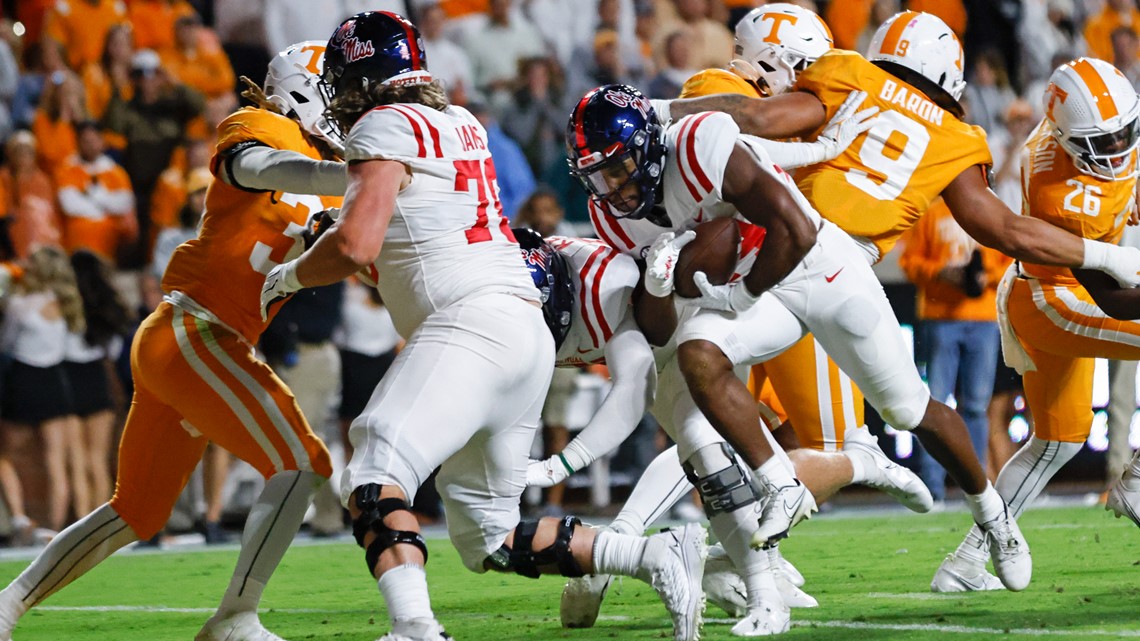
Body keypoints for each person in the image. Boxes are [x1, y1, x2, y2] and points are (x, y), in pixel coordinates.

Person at [258, 13, 705, 641]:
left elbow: (358, 246)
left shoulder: (383, 125)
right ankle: (654, 555)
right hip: (520, 332)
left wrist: (291, 275)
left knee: (372, 467)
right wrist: (330, 235)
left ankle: (414, 626)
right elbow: (405, 248)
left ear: (361, 75)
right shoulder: (461, 123)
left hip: (467, 325)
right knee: (488, 536)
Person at [652, 7, 1140, 582]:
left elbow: (760, 116)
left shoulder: (849, 71)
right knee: (906, 410)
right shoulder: (957, 134)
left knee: (701, 372)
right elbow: (1002, 230)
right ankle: (976, 522)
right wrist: (1109, 255)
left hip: (791, 249)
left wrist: (656, 112)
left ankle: (987, 520)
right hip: (828, 265)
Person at [0, 41, 346, 641]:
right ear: (302, 89)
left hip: (199, 340)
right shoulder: (261, 124)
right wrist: (349, 176)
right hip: (195, 329)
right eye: (336, 90)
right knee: (302, 463)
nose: (347, 105)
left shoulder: (340, 181)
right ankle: (235, 618)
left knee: (136, 510)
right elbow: (252, 166)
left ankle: (6, 605)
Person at [933, 57, 1140, 592]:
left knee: (1056, 443)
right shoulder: (1061, 190)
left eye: (1124, 135)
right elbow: (1114, 300)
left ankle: (966, 561)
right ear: (1069, 138)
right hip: (1055, 299)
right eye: (1105, 142)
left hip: (1047, 293)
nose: (1118, 150)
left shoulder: (1080, 134)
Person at [899, 198, 1010, 503]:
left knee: (976, 405)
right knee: (934, 403)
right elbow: (909, 261)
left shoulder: (989, 210)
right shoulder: (931, 213)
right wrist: (940, 272)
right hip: (940, 317)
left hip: (983, 318)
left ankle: (977, 487)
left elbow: (1009, 263)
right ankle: (932, 486)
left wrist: (985, 276)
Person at [0, 246, 84, 532]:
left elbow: (6, 345)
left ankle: (20, 518)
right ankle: (56, 530)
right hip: (55, 382)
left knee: (6, 456)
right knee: (55, 461)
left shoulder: (20, 305)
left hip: (24, 380)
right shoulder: (67, 302)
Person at [64, 250, 132, 513]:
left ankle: (81, 525)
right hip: (97, 378)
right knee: (98, 460)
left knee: (78, 462)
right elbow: (115, 349)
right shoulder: (104, 306)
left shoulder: (65, 303)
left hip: (68, 379)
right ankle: (99, 525)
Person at [55, 121, 137, 263]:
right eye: (85, 141)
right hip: (76, 228)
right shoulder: (67, 169)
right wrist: (103, 206)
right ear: (78, 142)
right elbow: (69, 205)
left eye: (94, 140)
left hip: (108, 231)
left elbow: (124, 203)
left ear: (102, 142)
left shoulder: (115, 171)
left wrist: (92, 196)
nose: (90, 145)